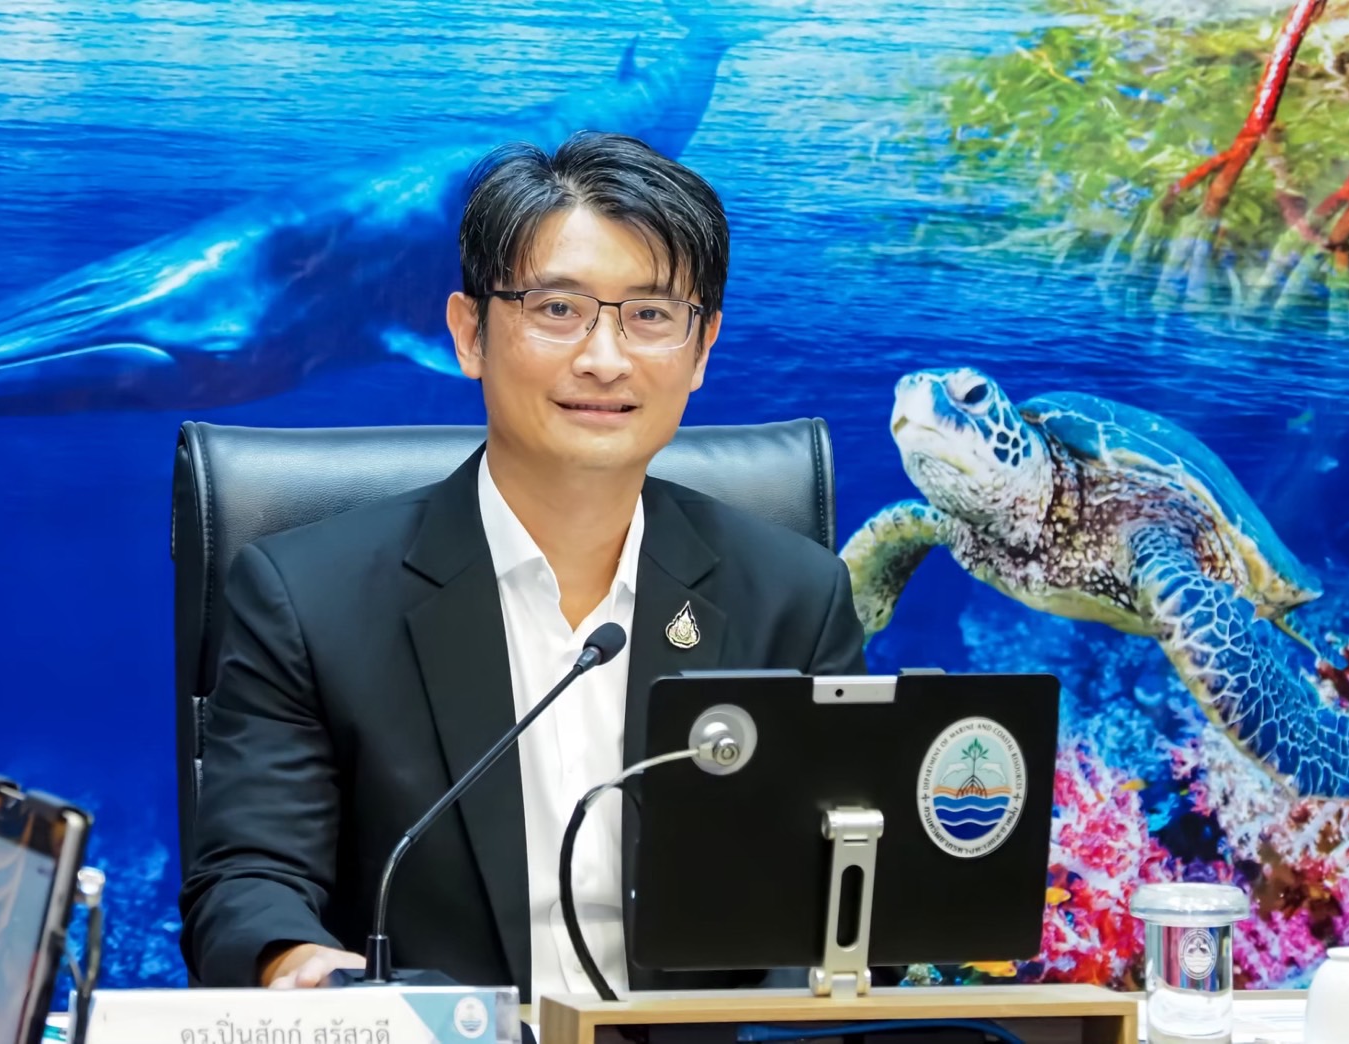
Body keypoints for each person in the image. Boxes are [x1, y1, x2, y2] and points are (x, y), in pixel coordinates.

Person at [178, 131, 867, 1003]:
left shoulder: (794, 598)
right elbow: (249, 882)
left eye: (650, 316)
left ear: (701, 350)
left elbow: (844, 903)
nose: (604, 359)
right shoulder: (308, 599)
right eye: (557, 309)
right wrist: (300, 967)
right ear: (469, 333)